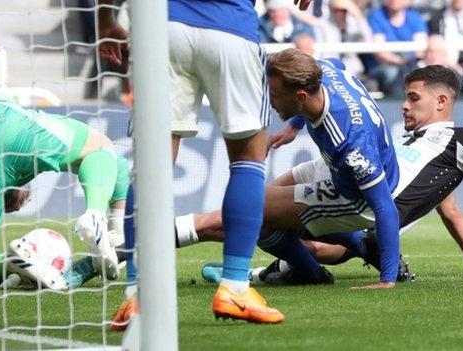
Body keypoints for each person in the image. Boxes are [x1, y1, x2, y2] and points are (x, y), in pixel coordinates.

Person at [188, 65, 463, 283]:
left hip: (364, 211)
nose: (404, 104)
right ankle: (253, 270)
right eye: (405, 96)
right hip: (340, 181)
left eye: (413, 98)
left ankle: (251, 274)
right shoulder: (406, 142)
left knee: (313, 246)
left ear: (441, 102)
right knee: (258, 213)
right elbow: (448, 207)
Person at [99, 0, 314, 328]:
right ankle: (236, 288)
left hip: (162, 29)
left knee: (151, 165)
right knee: (247, 160)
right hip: (231, 30)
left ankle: (137, 294)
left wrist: (104, 19)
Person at [0, 96, 130, 290]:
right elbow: (115, 162)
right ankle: (95, 215)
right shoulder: (19, 136)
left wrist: (5, 271)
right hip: (4, 120)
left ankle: (7, 261)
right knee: (102, 148)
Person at [251, 48, 401, 290]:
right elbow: (335, 62)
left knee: (253, 211)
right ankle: (361, 244)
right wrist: (295, 125)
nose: (269, 101)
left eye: (274, 95)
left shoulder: (350, 141)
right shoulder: (324, 73)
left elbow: (385, 207)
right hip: (340, 169)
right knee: (263, 203)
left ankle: (310, 273)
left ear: (300, 96)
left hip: (358, 198)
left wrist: (387, 279)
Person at [365, 0, 428, 95]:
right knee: (392, 73)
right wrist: (402, 63)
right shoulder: (376, 16)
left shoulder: (414, 17)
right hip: (384, 65)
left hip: (410, 63)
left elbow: (421, 48)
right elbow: (380, 52)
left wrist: (407, 63)